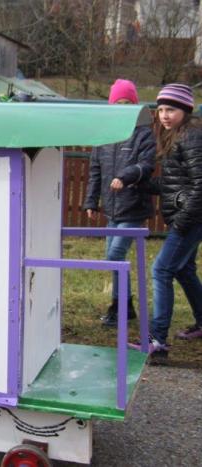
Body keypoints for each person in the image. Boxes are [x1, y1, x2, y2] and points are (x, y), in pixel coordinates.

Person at [128, 83, 202, 357]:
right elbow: (175, 184)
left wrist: (182, 222)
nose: (164, 116)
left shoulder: (192, 137)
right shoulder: (178, 136)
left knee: (161, 270)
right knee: (184, 270)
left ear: (185, 110)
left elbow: (200, 185)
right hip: (188, 217)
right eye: (160, 110)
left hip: (191, 219)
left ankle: (157, 339)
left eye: (170, 109)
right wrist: (142, 184)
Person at [82, 79, 156, 327]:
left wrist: (125, 177)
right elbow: (95, 171)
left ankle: (120, 307)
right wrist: (91, 201)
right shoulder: (105, 136)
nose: (123, 107)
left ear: (135, 106)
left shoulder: (143, 134)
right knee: (112, 258)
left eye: (127, 103)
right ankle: (125, 306)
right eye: (118, 103)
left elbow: (146, 166)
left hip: (133, 207)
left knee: (115, 254)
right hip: (112, 210)